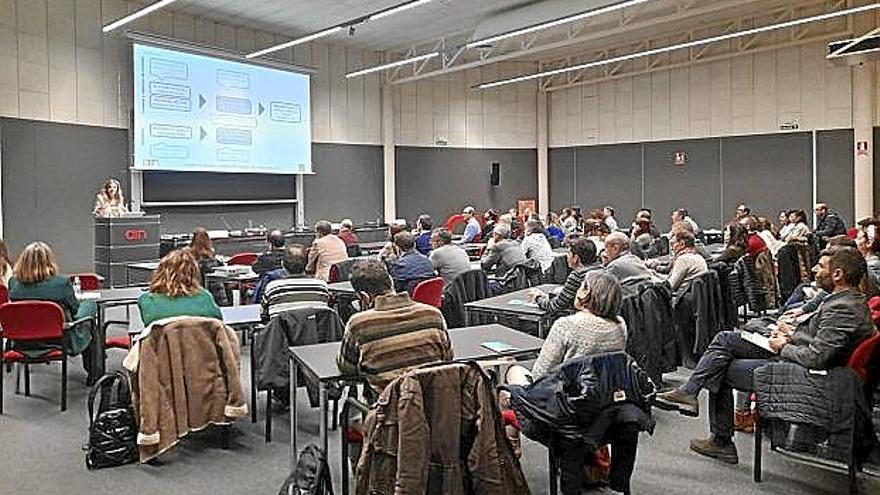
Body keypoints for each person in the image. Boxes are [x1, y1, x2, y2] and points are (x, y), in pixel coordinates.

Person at [656, 246, 874, 464]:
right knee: (725, 339)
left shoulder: (843, 307)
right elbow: (821, 341)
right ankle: (689, 393)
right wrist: (791, 333)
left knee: (722, 367)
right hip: (797, 355)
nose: (815, 270)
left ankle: (719, 438)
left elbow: (816, 357)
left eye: (822, 266)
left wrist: (783, 346)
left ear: (838, 274)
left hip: (808, 375)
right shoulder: (844, 300)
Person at [336, 260, 452, 394]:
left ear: (365, 297)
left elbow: (347, 369)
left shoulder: (359, 324)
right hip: (436, 404)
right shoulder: (433, 314)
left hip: (389, 409)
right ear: (391, 283)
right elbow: (447, 358)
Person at [8, 242, 98, 376]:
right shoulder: (61, 284)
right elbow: (74, 310)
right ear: (50, 261)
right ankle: (95, 373)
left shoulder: (14, 283)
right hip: (60, 340)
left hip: (23, 342)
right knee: (90, 312)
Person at [138, 249, 223, 327]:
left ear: (159, 273)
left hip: (163, 343)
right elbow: (218, 324)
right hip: (201, 343)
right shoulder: (205, 297)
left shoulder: (147, 301)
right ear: (194, 273)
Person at [526, 237, 602, 314]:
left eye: (569, 254)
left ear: (575, 258)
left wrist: (537, 297)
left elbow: (554, 306)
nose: (567, 257)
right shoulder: (601, 270)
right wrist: (546, 296)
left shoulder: (578, 276)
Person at [260, 244, 330, 320]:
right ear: (307, 264)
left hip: (282, 331)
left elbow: (264, 316)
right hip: (316, 331)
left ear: (282, 264)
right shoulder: (322, 287)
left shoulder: (272, 288)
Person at [663, 231, 708, 295]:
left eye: (673, 244)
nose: (672, 248)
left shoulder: (683, 259)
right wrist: (656, 275)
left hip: (680, 298)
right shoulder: (698, 256)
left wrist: (652, 280)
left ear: (682, 244)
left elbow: (670, 286)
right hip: (694, 297)